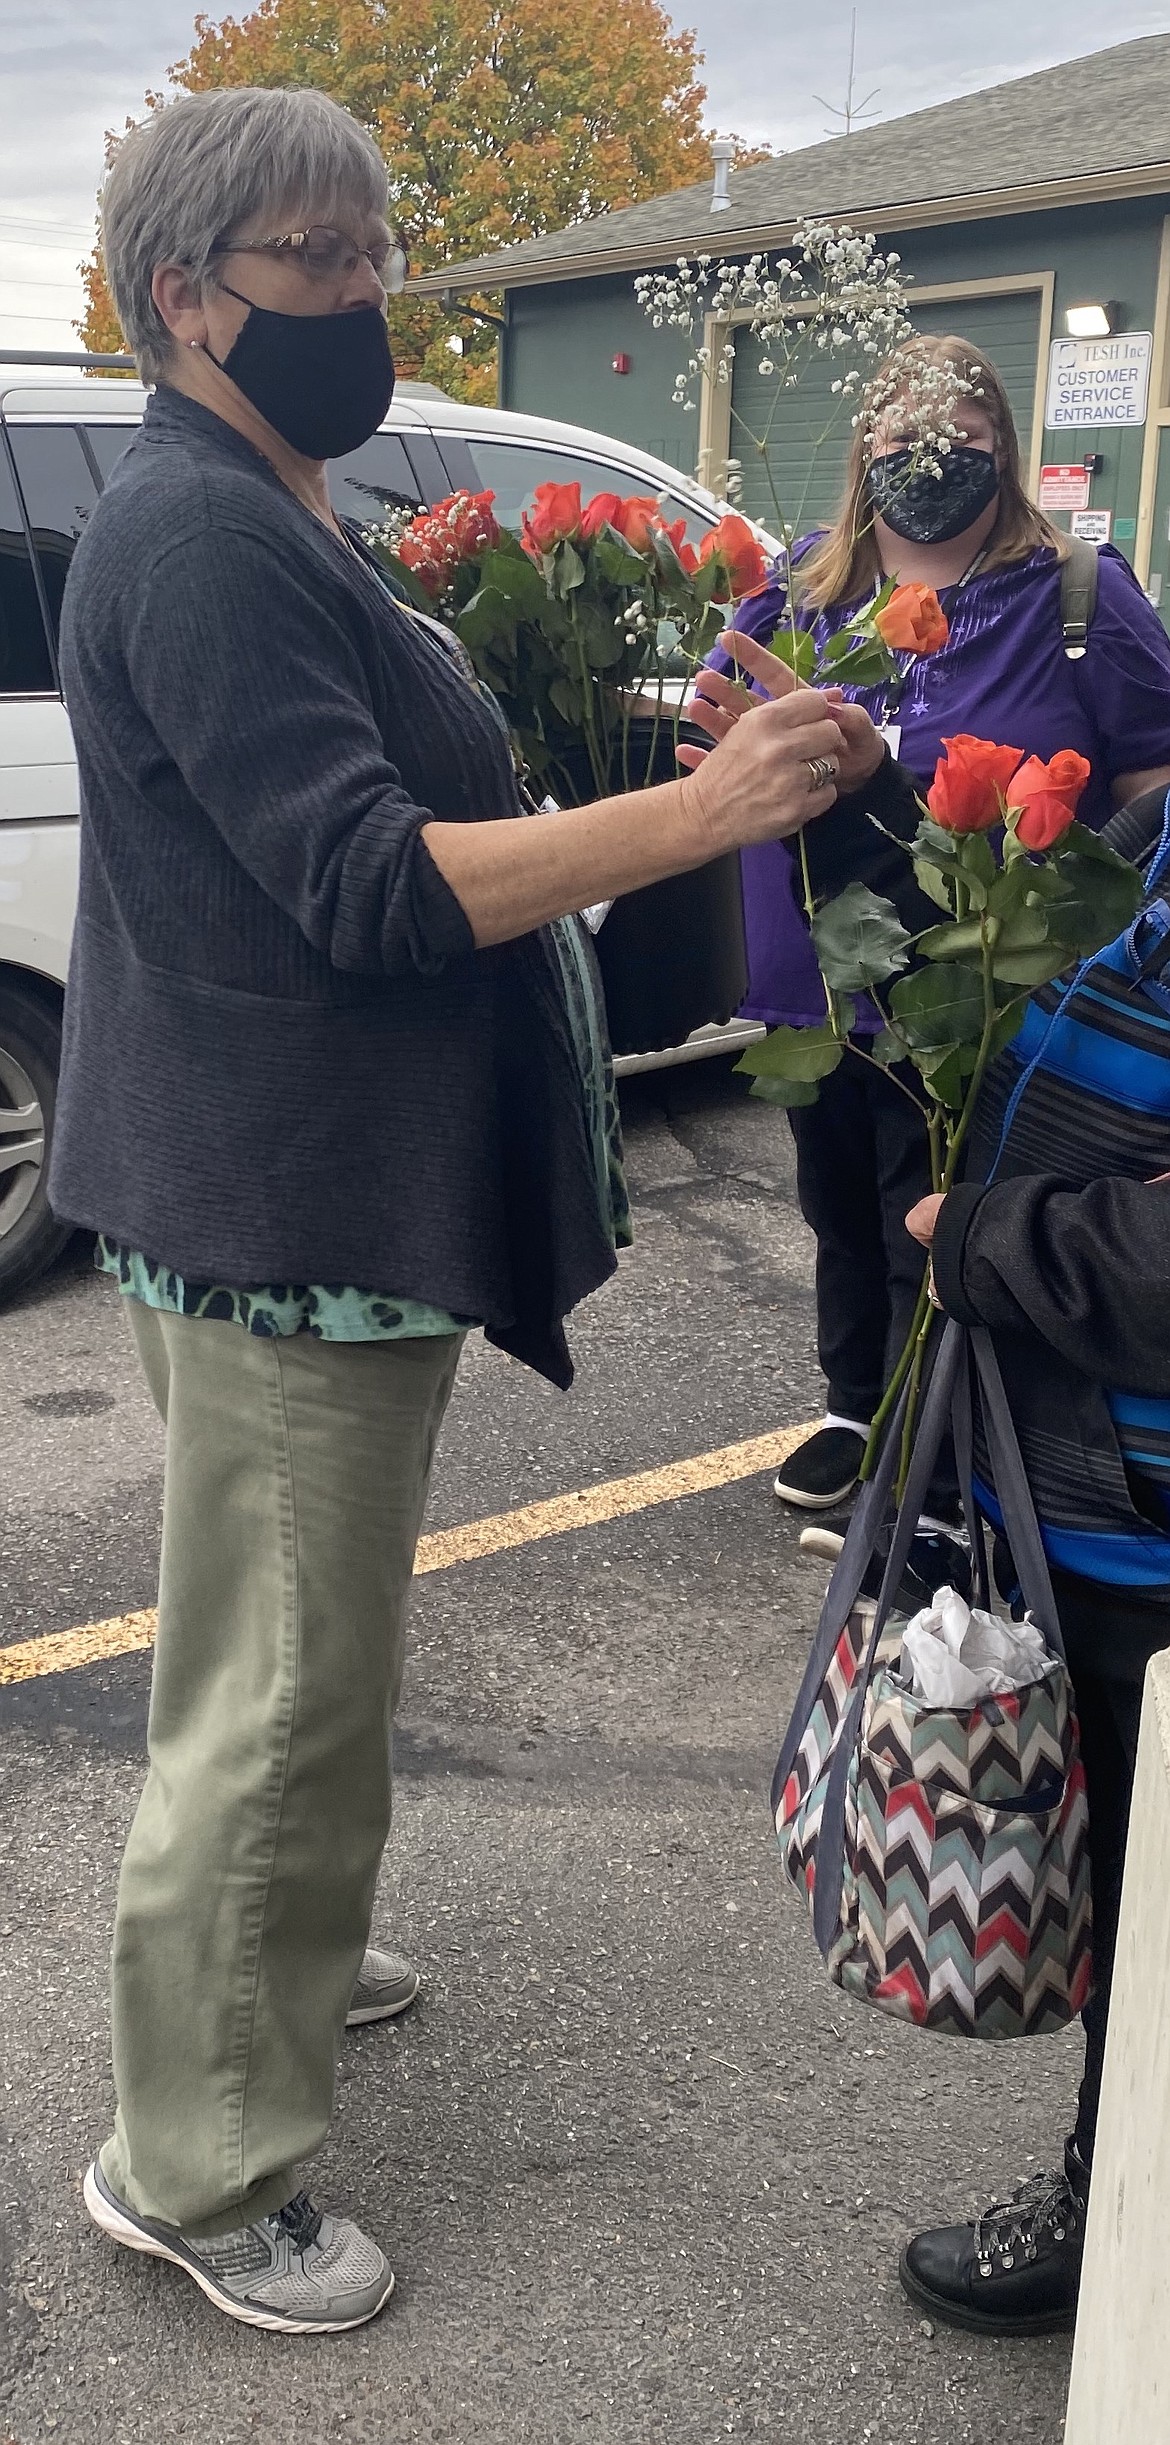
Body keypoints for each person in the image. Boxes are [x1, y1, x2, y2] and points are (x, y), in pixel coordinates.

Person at [52, 83, 872, 2338]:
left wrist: (690, 741)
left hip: (286, 1189)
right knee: (285, 1687)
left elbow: (426, 779)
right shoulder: (202, 535)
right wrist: (698, 815)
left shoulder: (277, 500)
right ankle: (198, 2157)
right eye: (321, 265)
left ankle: (276, 1945)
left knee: (295, 1654)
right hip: (278, 1208)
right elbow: (372, 890)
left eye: (373, 251)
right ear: (189, 295)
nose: (367, 300)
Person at [709, 335, 1170, 1518]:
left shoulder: (1072, 592)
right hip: (822, 973)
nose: (934, 458)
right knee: (838, 1199)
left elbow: (1150, 793)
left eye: (964, 438)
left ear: (1005, 450)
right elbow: (722, 730)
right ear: (867, 446)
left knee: (956, 1203)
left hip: (987, 978)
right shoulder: (805, 585)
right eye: (908, 434)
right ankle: (855, 1398)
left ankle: (956, 1423)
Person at [892, 780, 1170, 2337]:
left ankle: (1115, 2213)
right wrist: (879, 811)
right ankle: (1112, 2180)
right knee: (1135, 1897)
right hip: (1091, 1491)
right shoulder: (1153, 822)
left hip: (1147, 1507)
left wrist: (1000, 1244)